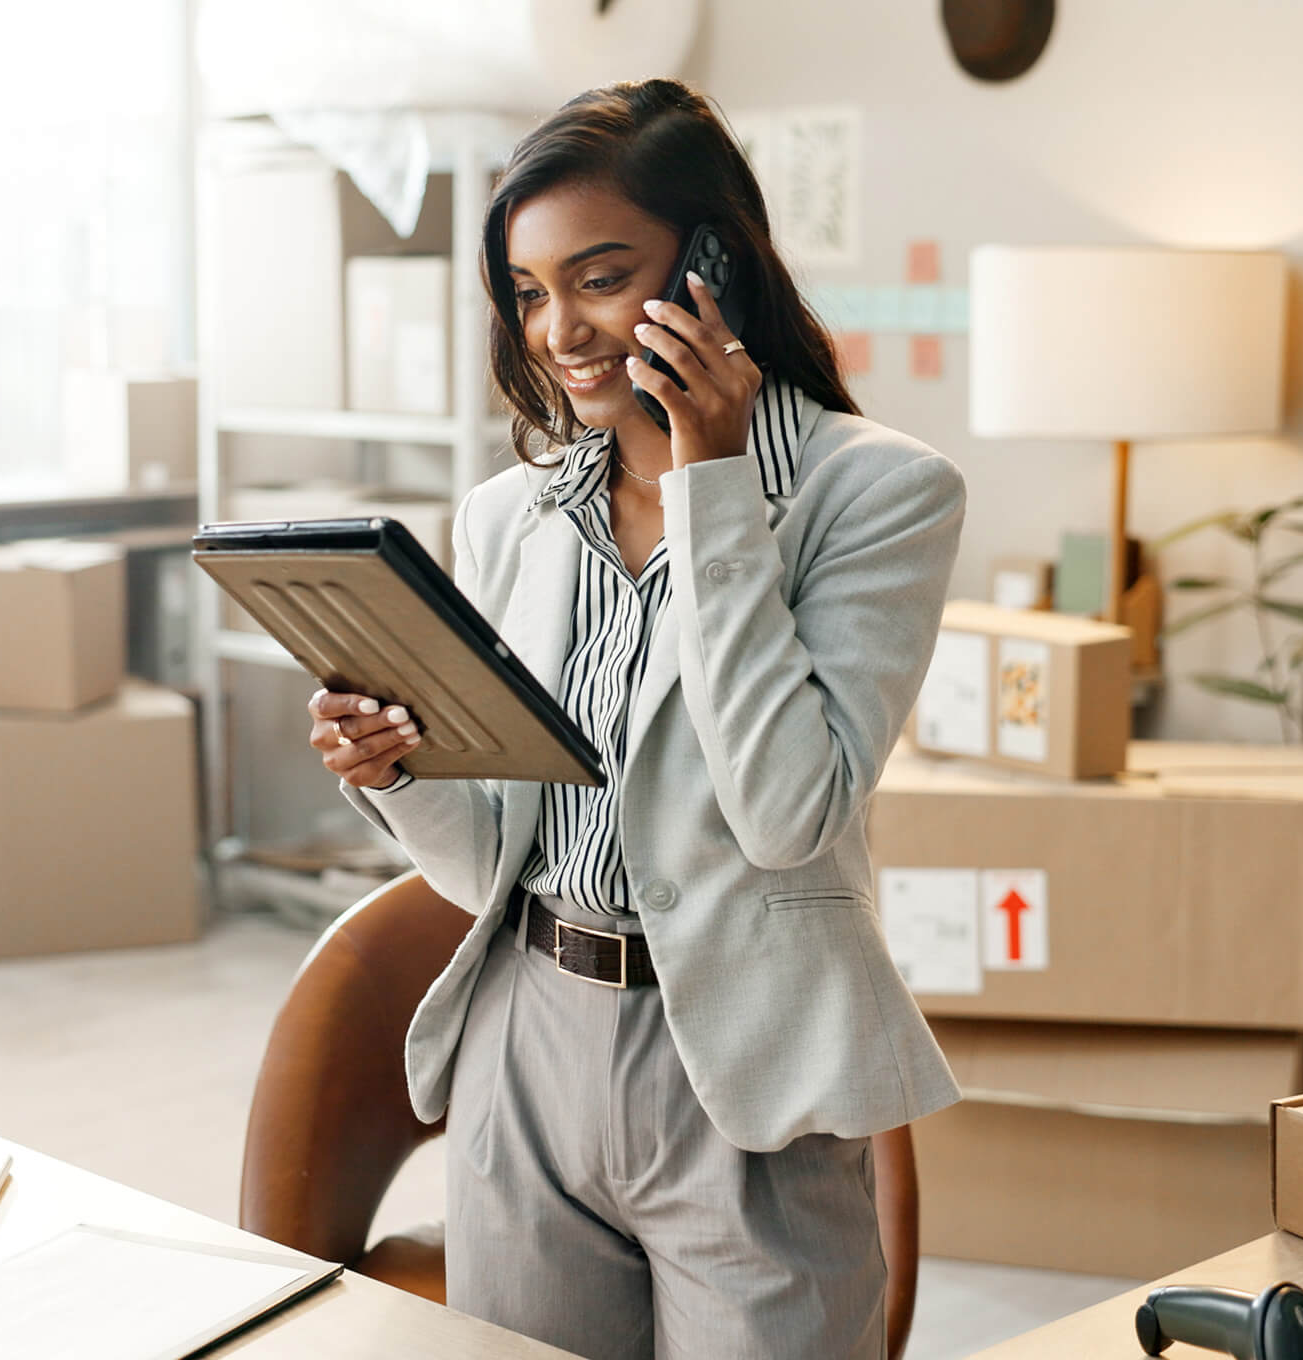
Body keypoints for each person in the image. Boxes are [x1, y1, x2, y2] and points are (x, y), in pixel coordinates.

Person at [304, 78, 965, 1360]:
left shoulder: (877, 495)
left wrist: (712, 482)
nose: (561, 330)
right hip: (527, 1043)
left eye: (600, 278)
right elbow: (482, 859)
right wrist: (393, 770)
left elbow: (787, 815)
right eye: (531, 291)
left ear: (713, 261)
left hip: (745, 1069)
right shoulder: (509, 516)